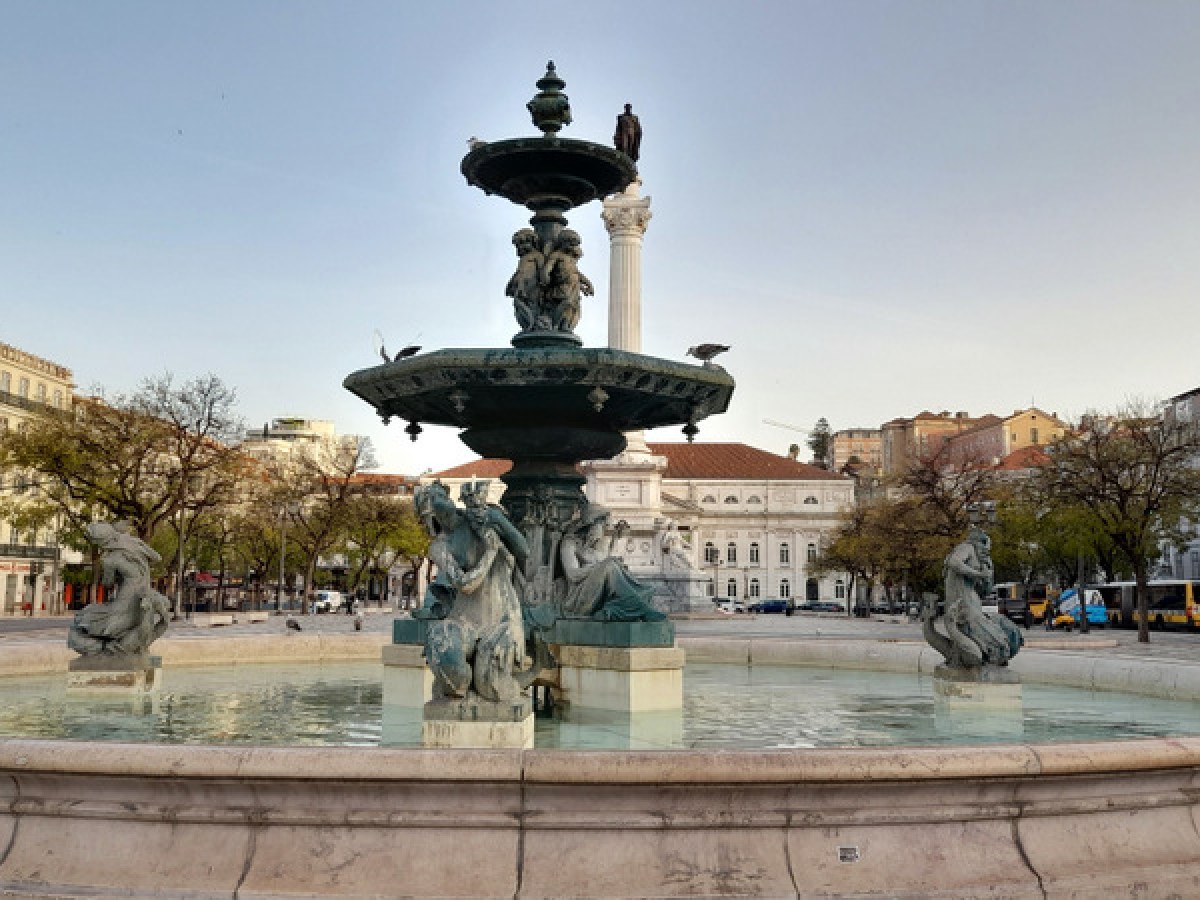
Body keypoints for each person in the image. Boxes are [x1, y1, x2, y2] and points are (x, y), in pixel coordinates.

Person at [67, 522, 170, 656]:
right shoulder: (135, 542)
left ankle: (105, 648)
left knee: (84, 619)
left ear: (101, 542)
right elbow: (157, 557)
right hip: (144, 592)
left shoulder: (110, 560)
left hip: (126, 598)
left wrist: (113, 572)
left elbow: (107, 583)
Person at [559, 506, 665, 622]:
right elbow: (572, 574)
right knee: (609, 565)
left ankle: (616, 610)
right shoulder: (570, 543)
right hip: (578, 597)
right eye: (601, 526)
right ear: (590, 525)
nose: (602, 532)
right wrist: (600, 567)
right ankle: (639, 608)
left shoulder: (596, 546)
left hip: (599, 592)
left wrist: (615, 539)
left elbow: (607, 567)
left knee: (615, 564)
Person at [541, 229, 593, 332]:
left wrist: (588, 284)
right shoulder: (557, 255)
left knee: (573, 307)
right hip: (562, 285)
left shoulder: (570, 258)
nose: (572, 247)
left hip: (574, 286)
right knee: (566, 302)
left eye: (574, 245)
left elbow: (576, 273)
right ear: (563, 242)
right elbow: (549, 266)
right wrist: (545, 274)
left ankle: (565, 325)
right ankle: (555, 323)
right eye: (570, 244)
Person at [505, 228, 545, 331]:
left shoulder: (537, 255)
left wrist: (543, 280)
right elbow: (519, 272)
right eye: (518, 245)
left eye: (524, 243)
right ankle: (528, 325)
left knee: (533, 303)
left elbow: (542, 270)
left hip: (532, 285)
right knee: (518, 304)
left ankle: (535, 324)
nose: (521, 247)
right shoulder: (524, 258)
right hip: (521, 286)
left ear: (533, 242)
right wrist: (511, 283)